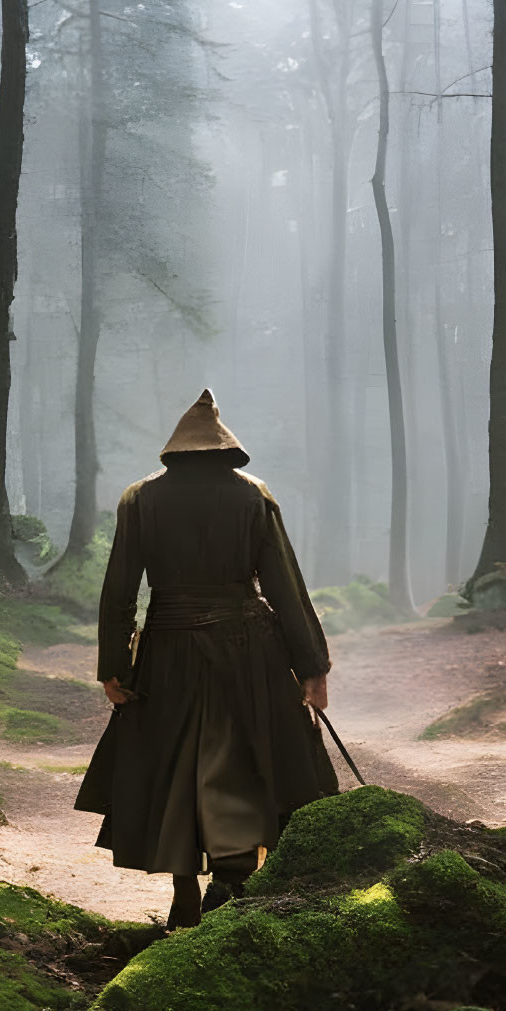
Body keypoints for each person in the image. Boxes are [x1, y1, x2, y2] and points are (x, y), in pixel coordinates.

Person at [74, 389, 338, 929]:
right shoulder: (252, 497)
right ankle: (231, 881)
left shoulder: (139, 499)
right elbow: (285, 588)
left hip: (168, 650)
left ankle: (184, 890)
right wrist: (312, 666)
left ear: (176, 452)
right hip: (248, 651)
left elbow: (120, 590)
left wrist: (114, 667)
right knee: (239, 760)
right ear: (226, 451)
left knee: (176, 763)